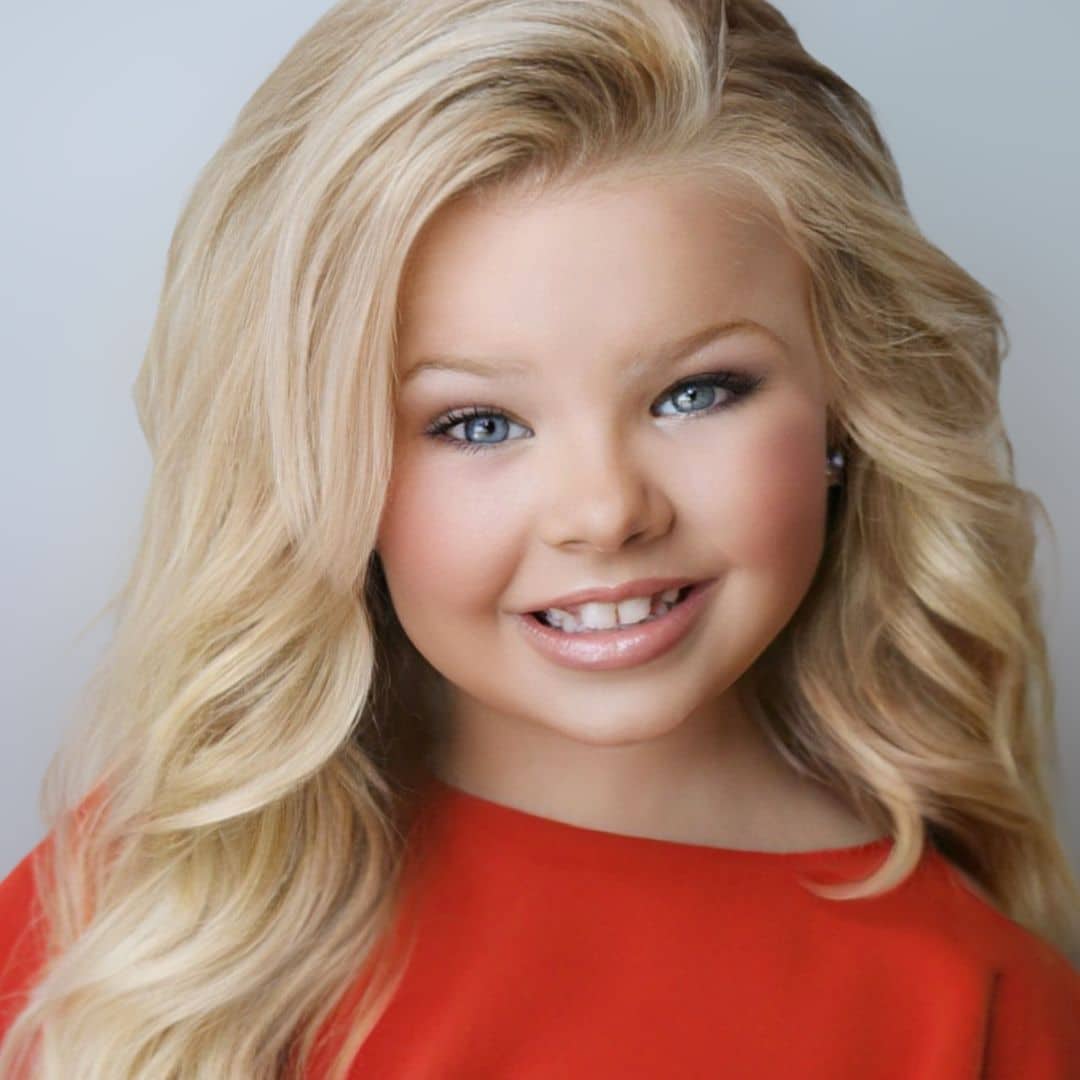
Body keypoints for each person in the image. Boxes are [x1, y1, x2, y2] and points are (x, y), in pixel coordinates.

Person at [1, 0, 1078, 1076]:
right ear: (321, 469)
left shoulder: (979, 1012)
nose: (606, 512)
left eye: (698, 392)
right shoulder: (152, 924)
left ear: (848, 404)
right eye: (475, 423)